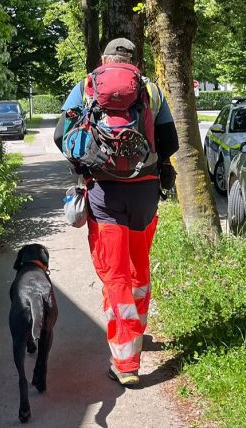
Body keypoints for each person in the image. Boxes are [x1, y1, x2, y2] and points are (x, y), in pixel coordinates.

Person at [54, 38, 179, 386]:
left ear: (104, 59)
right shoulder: (150, 90)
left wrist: (88, 162)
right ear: (135, 62)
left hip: (103, 193)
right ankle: (137, 330)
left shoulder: (86, 86)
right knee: (138, 265)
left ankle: (125, 363)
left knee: (115, 274)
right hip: (145, 193)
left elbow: (61, 137)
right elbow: (171, 142)